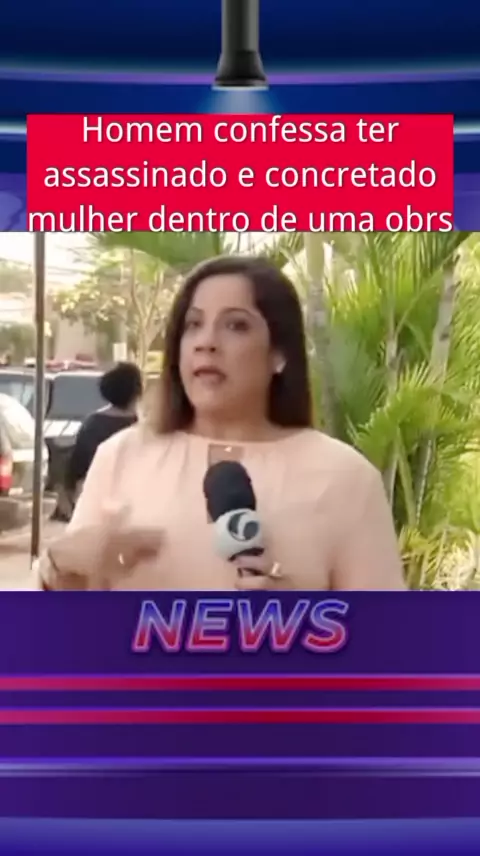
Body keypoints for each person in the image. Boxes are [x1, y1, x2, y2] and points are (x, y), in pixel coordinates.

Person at [34, 256, 406, 591]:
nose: (206, 342)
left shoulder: (347, 479)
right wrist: (59, 566)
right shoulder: (121, 457)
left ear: (279, 353)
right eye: (193, 325)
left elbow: (389, 638)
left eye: (236, 326)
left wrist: (303, 622)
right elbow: (64, 623)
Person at [58, 362, 143, 520]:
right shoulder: (145, 428)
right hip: (136, 509)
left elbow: (77, 468)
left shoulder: (93, 424)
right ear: (137, 391)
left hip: (96, 506)